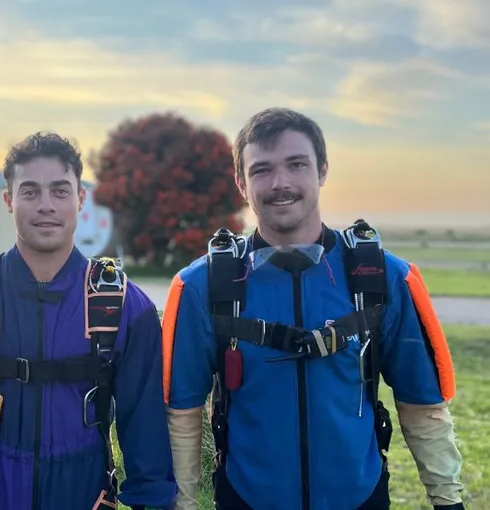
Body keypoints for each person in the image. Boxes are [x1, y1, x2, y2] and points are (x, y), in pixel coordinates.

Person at [162, 108, 465, 510]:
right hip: (247, 498)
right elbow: (183, 414)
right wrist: (183, 504)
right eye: (261, 170)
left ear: (322, 170)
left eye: (296, 164)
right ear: (241, 183)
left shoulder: (382, 278)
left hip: (359, 497)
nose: (280, 183)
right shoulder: (203, 287)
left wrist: (448, 500)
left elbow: (423, 407)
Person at [0, 132, 177, 510]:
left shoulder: (123, 306)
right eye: (30, 192)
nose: (46, 205)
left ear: (80, 198)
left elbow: (146, 433)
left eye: (60, 191)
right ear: (9, 200)